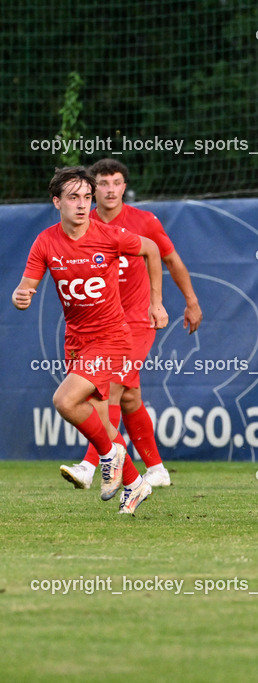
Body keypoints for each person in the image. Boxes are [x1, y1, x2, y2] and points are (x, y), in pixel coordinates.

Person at [12, 167, 168, 515]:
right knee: (103, 421)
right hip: (76, 340)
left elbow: (153, 250)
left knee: (65, 401)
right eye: (73, 198)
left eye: (87, 197)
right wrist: (20, 295)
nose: (82, 205)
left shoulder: (110, 236)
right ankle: (135, 484)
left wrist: (155, 303)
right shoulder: (45, 241)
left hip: (112, 337)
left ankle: (106, 458)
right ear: (57, 202)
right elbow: (26, 287)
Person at [57, 159, 203, 492]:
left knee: (111, 389)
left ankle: (90, 465)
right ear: (93, 189)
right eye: (103, 183)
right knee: (130, 398)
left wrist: (188, 301)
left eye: (116, 182)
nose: (110, 190)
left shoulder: (143, 221)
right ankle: (156, 468)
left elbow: (170, 259)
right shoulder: (82, 223)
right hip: (99, 326)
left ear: (124, 187)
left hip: (136, 323)